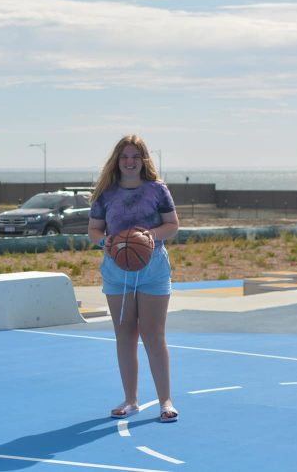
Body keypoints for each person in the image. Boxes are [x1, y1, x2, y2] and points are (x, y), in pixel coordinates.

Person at [88, 134, 180, 423]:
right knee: (125, 335)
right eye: (125, 156)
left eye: (135, 156)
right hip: (117, 270)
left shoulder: (157, 190)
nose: (130, 162)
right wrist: (108, 242)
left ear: (143, 160)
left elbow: (172, 225)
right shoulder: (106, 193)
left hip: (152, 268)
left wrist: (149, 236)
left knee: (154, 334)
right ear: (117, 160)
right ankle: (131, 400)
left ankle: (165, 400)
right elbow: (93, 231)